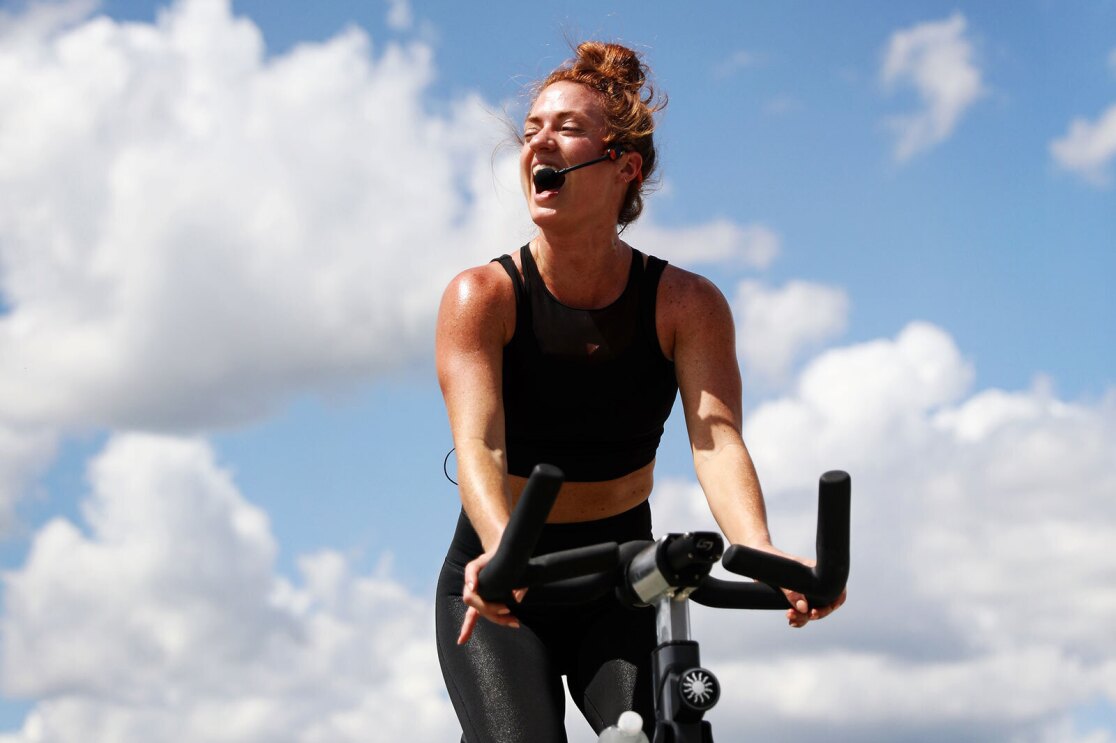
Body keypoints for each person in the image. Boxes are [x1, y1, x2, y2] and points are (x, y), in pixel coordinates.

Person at [434, 41, 845, 743]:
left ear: (623, 166)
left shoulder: (686, 303)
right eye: (531, 128)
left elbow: (716, 441)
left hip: (620, 571)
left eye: (564, 127)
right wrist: (502, 551)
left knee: (651, 733)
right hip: (505, 579)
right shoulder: (483, 296)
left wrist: (762, 552)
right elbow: (479, 440)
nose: (539, 140)